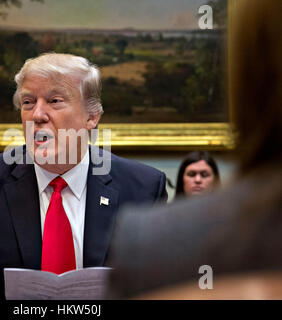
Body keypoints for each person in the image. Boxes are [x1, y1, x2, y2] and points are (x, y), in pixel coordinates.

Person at [0, 53, 168, 300]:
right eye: (28, 102)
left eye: (55, 100)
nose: (37, 115)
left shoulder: (143, 188)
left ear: (91, 117)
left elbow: (167, 285)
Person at [108, 0, 282, 299]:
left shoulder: (158, 240)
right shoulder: (161, 233)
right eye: (192, 174)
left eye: (204, 174)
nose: (198, 181)